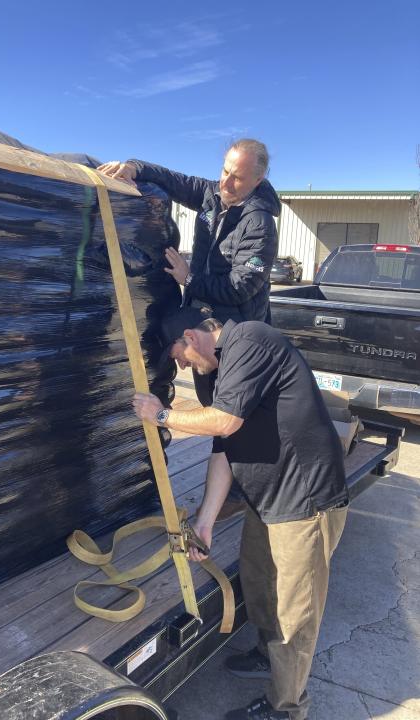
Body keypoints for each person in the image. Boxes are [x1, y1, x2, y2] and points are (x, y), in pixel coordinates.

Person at [132, 307, 349, 720]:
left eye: (178, 355)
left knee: (294, 613)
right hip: (267, 499)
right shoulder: (216, 370)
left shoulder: (250, 339)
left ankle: (287, 708)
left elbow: (225, 422)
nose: (180, 365)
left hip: (305, 502)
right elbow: (223, 449)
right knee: (260, 585)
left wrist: (161, 415)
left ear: (191, 337)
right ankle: (270, 658)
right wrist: (206, 523)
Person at [98, 139, 281, 406]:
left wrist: (189, 279)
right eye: (225, 171)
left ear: (257, 180)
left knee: (232, 411)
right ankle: (220, 447)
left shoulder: (259, 224)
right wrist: (132, 167)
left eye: (238, 178)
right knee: (208, 399)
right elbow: (172, 179)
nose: (226, 183)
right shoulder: (211, 196)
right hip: (202, 325)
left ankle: (230, 448)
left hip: (234, 337)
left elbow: (240, 287)